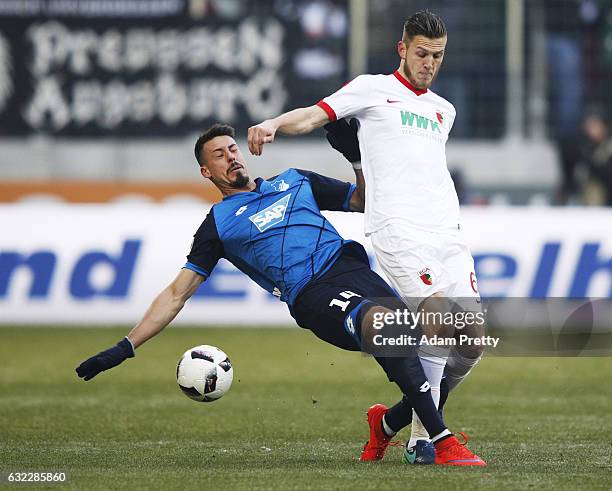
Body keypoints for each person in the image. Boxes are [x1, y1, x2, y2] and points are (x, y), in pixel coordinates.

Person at [76, 123, 486, 467]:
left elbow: (363, 202)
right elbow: (177, 293)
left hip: (355, 270)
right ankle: (441, 438)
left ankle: (385, 425)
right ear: (206, 172)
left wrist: (357, 159)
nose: (231, 157)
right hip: (312, 294)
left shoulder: (295, 181)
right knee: (381, 327)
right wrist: (125, 346)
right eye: (219, 154)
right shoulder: (218, 224)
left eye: (233, 149)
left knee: (451, 336)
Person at [247, 10, 485, 464]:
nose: (430, 63)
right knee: (435, 323)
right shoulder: (372, 89)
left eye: (438, 55)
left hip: (447, 232)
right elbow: (314, 115)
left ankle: (389, 422)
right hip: (397, 228)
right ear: (402, 49)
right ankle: (426, 443)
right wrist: (275, 124)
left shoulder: (443, 110)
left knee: (471, 343)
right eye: (422, 53)